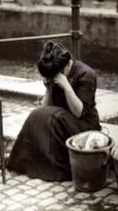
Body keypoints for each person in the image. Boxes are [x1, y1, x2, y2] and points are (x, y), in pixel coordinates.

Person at [6, 41, 101, 181]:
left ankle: (56, 167)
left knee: (53, 117)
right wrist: (49, 87)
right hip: (62, 120)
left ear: (68, 64)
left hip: (84, 124)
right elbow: (46, 108)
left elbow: (80, 113)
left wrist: (67, 87)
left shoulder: (86, 74)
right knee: (37, 115)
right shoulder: (56, 71)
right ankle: (22, 161)